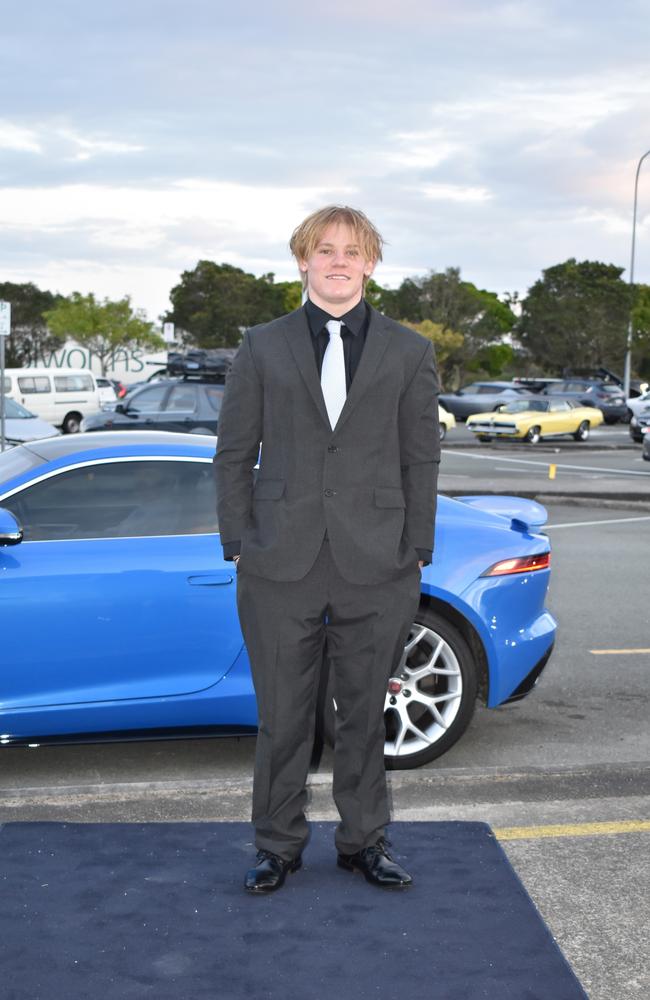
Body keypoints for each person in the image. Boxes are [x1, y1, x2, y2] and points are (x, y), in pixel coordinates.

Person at [213, 205, 440, 893]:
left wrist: (416, 548)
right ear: (303, 260)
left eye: (352, 250)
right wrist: (239, 545)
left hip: (379, 562)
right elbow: (232, 455)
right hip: (280, 562)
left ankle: (363, 842)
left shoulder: (408, 351)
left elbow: (420, 459)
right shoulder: (262, 345)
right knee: (282, 717)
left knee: (364, 714)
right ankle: (276, 846)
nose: (338, 261)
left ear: (370, 263)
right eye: (324, 249)